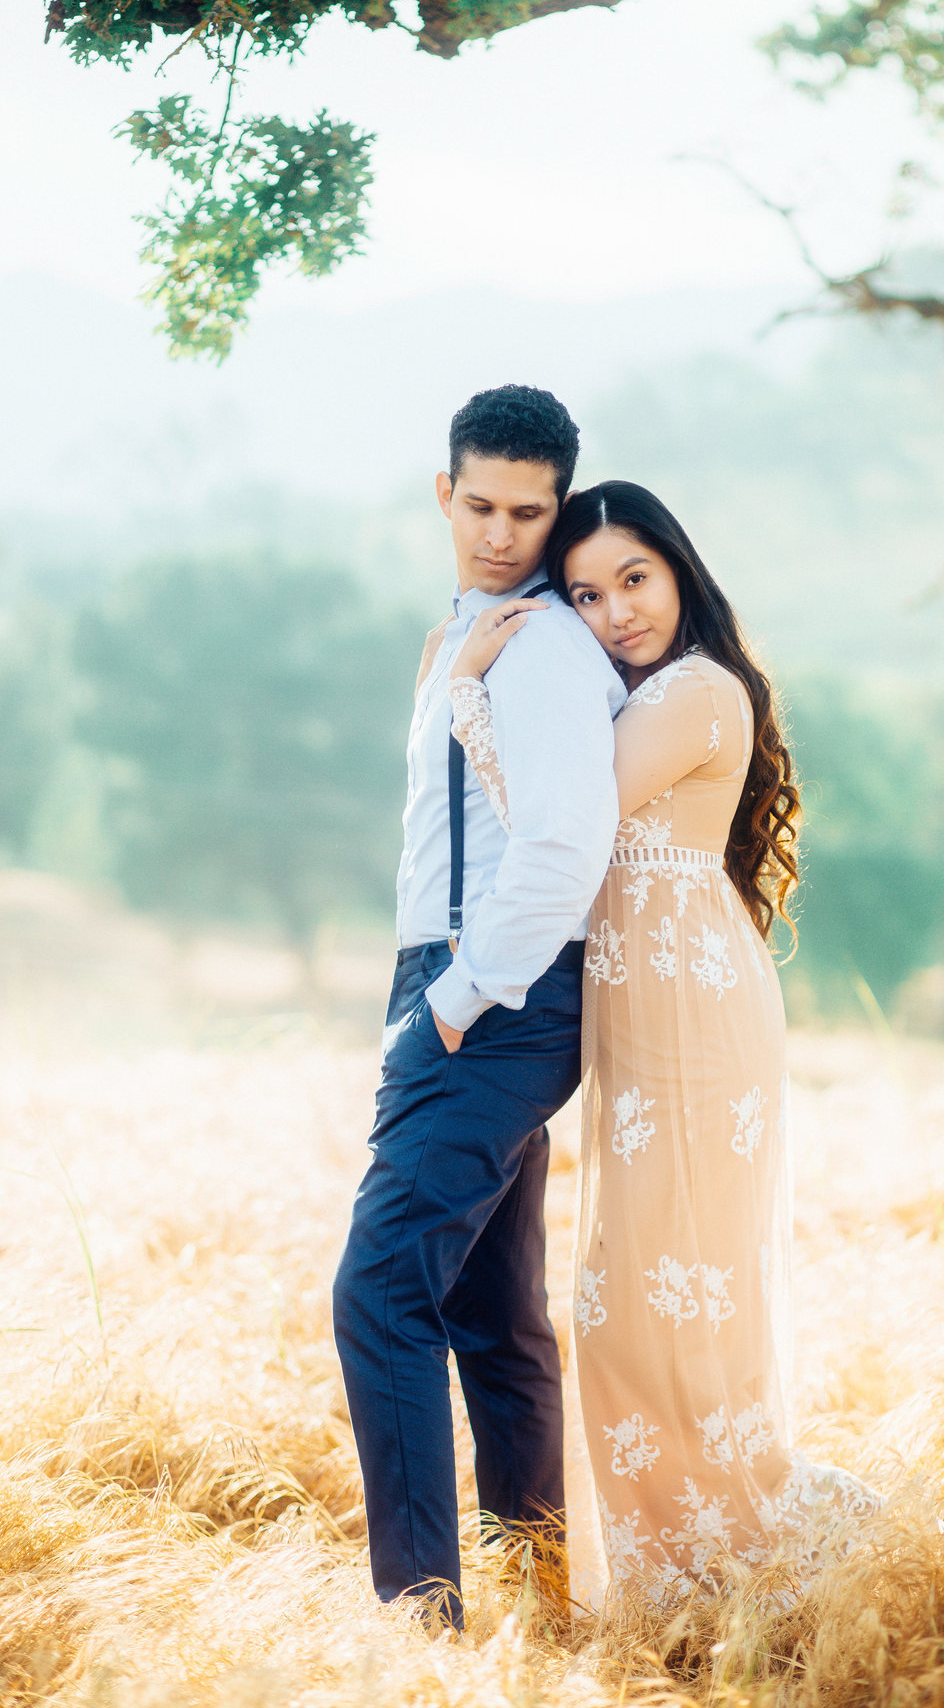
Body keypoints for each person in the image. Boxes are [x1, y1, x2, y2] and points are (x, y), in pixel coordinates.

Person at [448, 481, 882, 1593]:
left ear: (679, 570)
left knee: (649, 1304)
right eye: (585, 595)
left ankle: (720, 1558)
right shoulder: (645, 695)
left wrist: (466, 696)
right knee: (640, 1300)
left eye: (632, 579)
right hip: (652, 1016)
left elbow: (563, 814)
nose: (615, 612)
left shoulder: (696, 689)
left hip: (693, 1016)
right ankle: (675, 1561)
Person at [331, 389, 626, 1627]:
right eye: (483, 505)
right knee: (490, 1311)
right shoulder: (470, 635)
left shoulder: (546, 643)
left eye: (532, 511)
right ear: (441, 495)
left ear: (559, 506)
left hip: (495, 986)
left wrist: (454, 1000)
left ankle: (422, 1621)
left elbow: (562, 841)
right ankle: (536, 1583)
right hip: (461, 975)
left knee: (381, 1289)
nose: (505, 532)